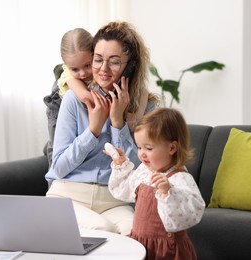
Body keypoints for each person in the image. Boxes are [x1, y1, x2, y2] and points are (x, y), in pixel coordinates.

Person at [45, 21, 159, 235]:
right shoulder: (73, 100)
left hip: (113, 200)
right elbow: (58, 167)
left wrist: (118, 124)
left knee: (137, 232)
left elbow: (137, 169)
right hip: (69, 194)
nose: (103, 69)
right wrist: (93, 131)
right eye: (97, 60)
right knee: (104, 230)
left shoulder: (145, 108)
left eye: (114, 62)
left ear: (130, 66)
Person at [106, 108, 205, 260]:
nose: (142, 153)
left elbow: (193, 211)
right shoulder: (144, 171)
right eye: (139, 147)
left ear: (172, 148)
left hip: (167, 251)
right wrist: (121, 165)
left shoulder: (179, 178)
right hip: (139, 243)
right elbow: (124, 191)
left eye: (149, 148)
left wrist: (168, 192)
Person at [43, 28, 94, 167]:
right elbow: (86, 96)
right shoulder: (67, 79)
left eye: (87, 65)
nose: (83, 73)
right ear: (66, 66)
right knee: (55, 153)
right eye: (75, 69)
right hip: (58, 110)